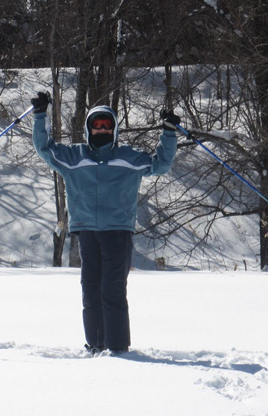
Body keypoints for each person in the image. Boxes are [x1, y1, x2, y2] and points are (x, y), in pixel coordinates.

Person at [30, 92, 179, 355]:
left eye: (106, 125)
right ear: (89, 128)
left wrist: (168, 133)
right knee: (90, 290)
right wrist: (40, 115)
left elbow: (161, 165)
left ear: (114, 128)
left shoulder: (128, 157)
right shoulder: (74, 157)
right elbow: (45, 149)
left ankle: (118, 347)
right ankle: (96, 345)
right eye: (96, 125)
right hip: (86, 231)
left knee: (112, 289)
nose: (101, 129)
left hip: (117, 232)